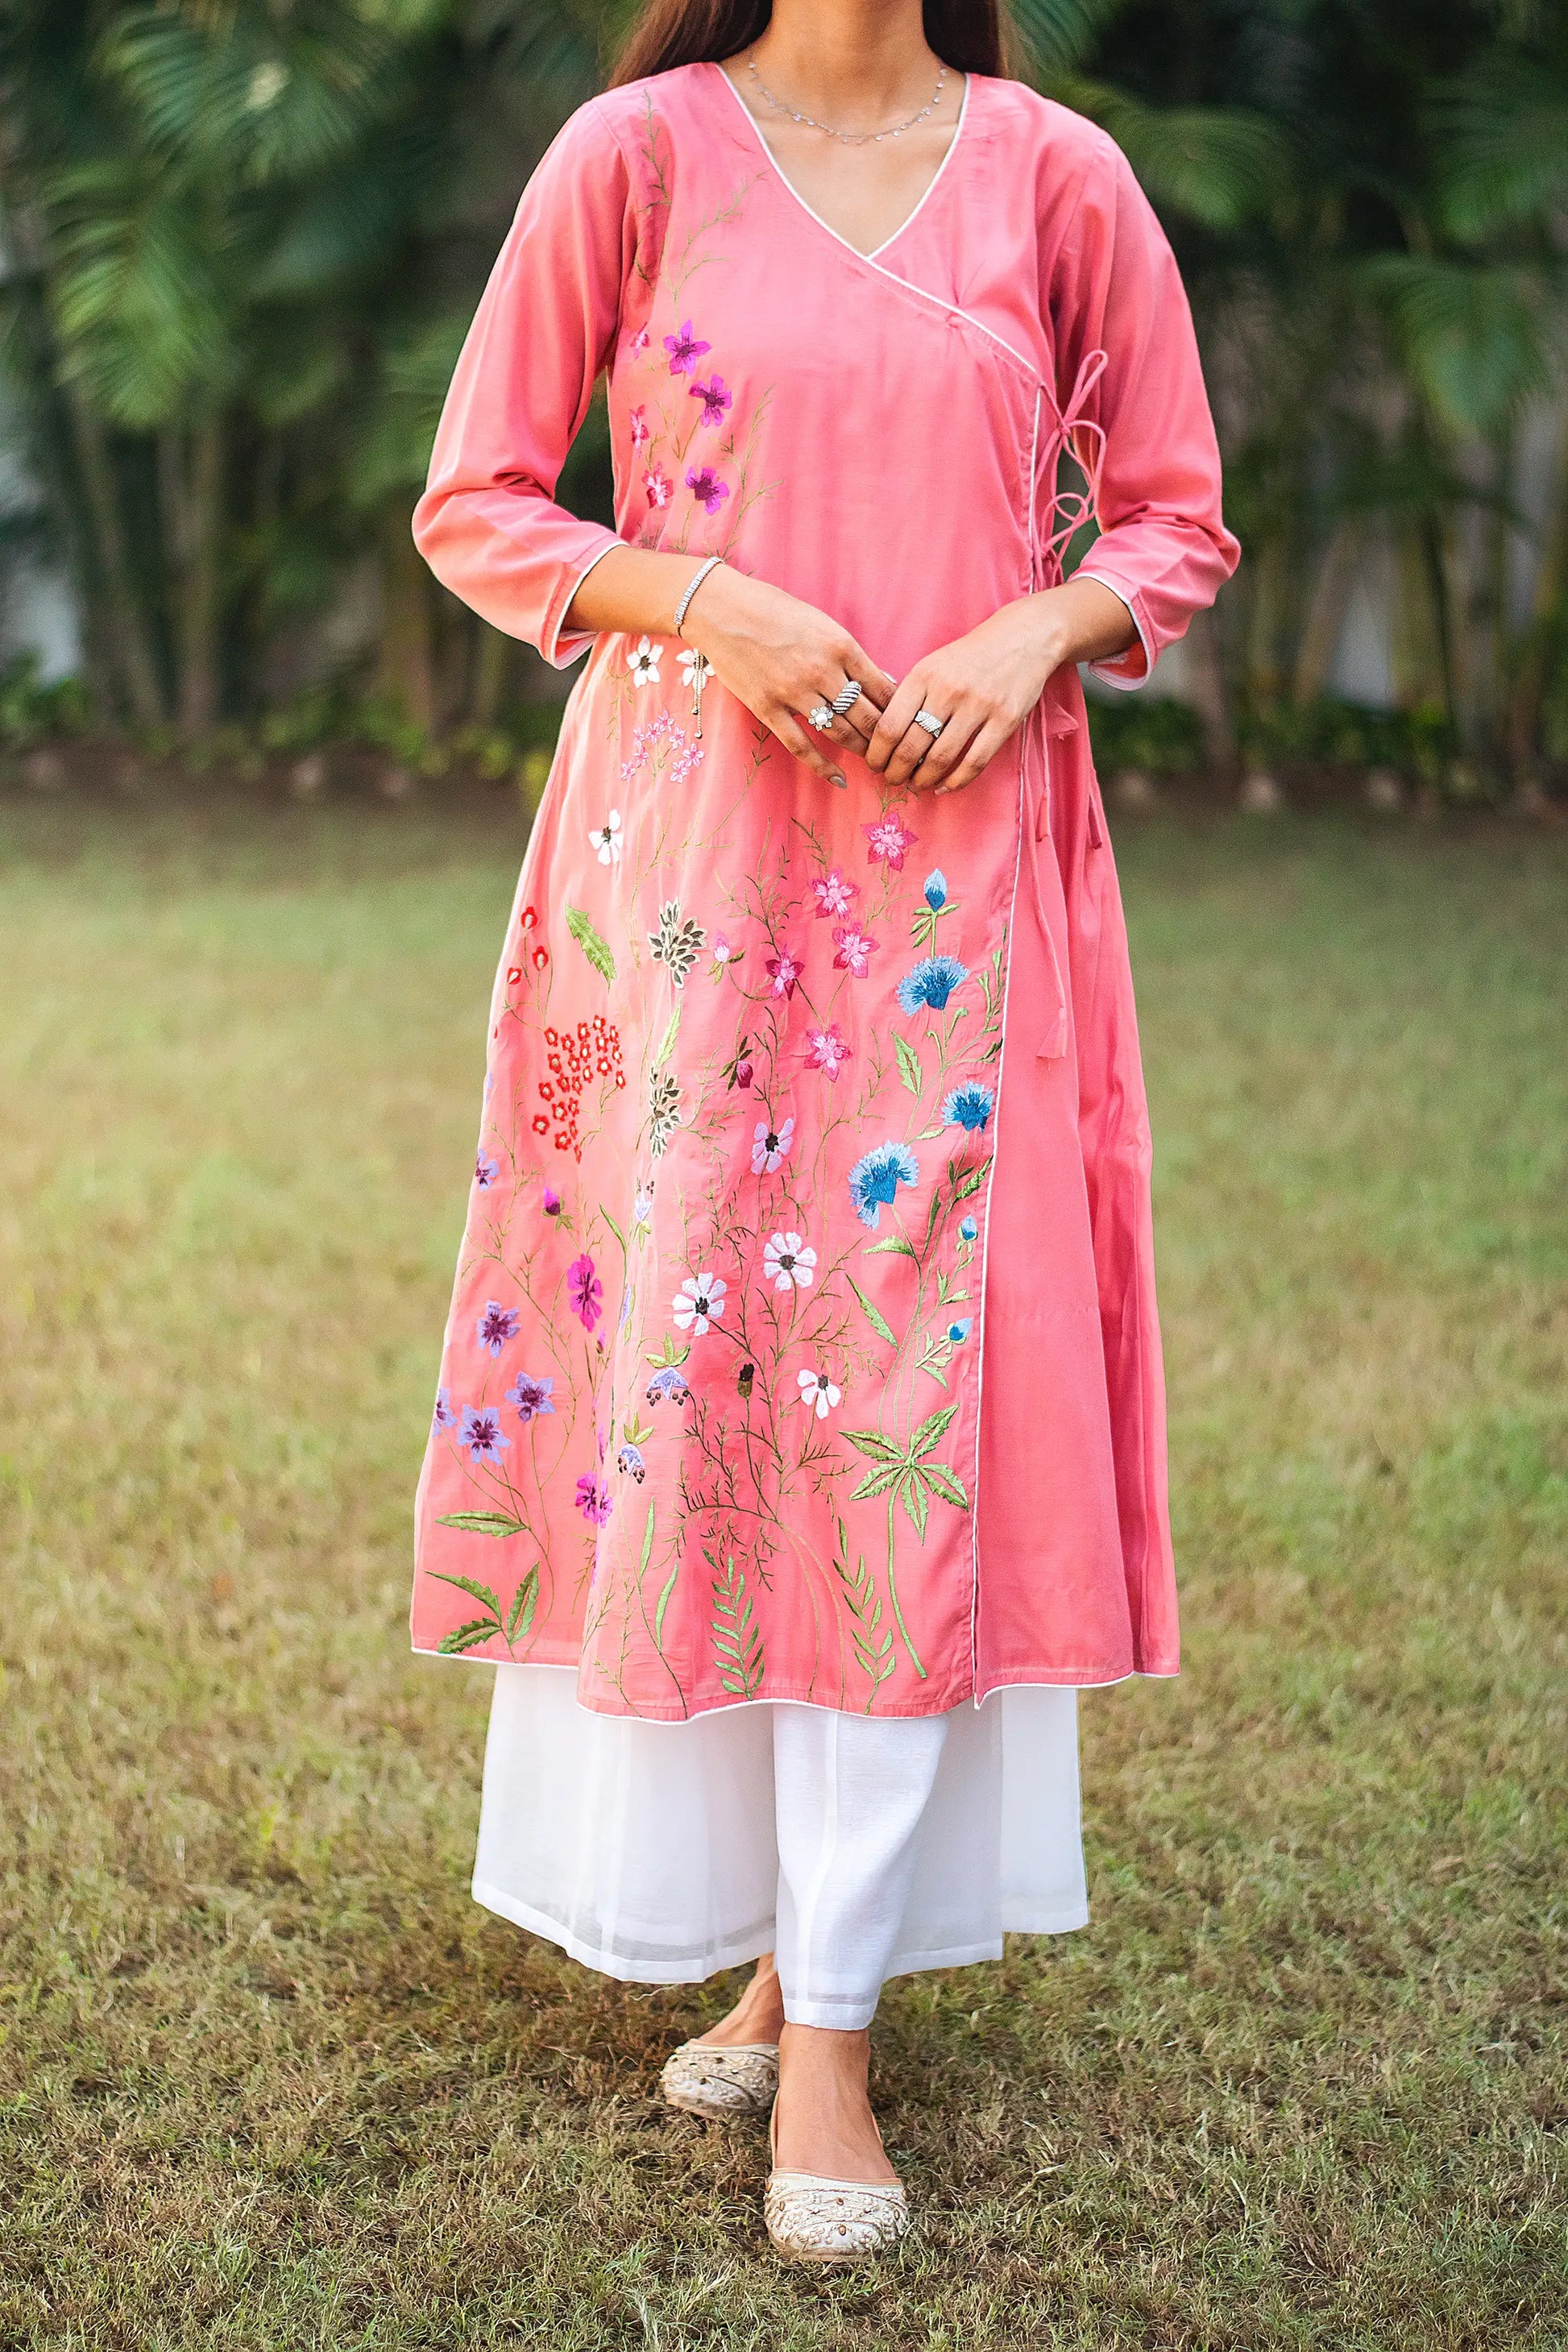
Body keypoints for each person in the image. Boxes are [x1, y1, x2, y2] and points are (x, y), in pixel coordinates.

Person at [409, 0, 1238, 2264]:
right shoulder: (635, 156)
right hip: (686, 880)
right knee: (720, 1397)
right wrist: (712, 601)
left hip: (965, 889)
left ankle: (836, 2040)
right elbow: (480, 503)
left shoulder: (1056, 173)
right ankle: (776, 1946)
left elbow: (1172, 524)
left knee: (891, 1411)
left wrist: (1034, 635)